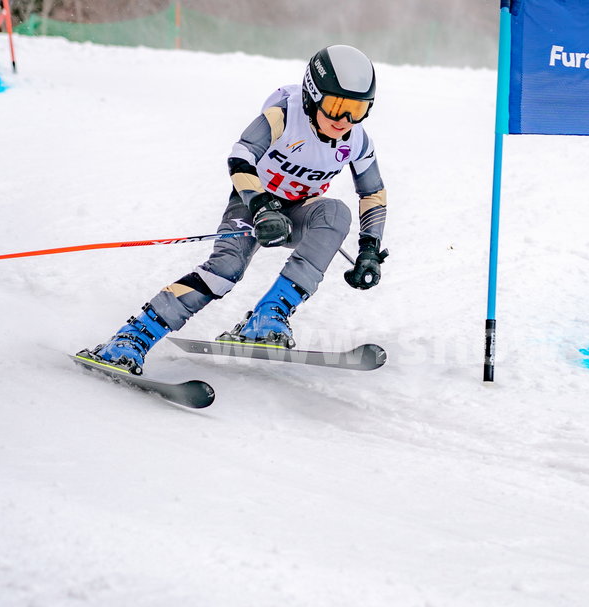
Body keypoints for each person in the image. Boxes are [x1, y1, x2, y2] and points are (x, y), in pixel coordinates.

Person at [79, 44, 389, 374]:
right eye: (336, 106)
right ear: (313, 95)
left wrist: (369, 248)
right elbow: (241, 157)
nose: (344, 120)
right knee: (226, 269)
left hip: (300, 212)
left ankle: (268, 317)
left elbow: (373, 192)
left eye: (357, 110)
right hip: (251, 204)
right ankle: (130, 339)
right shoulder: (285, 114)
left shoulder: (357, 141)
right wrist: (261, 206)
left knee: (336, 213)